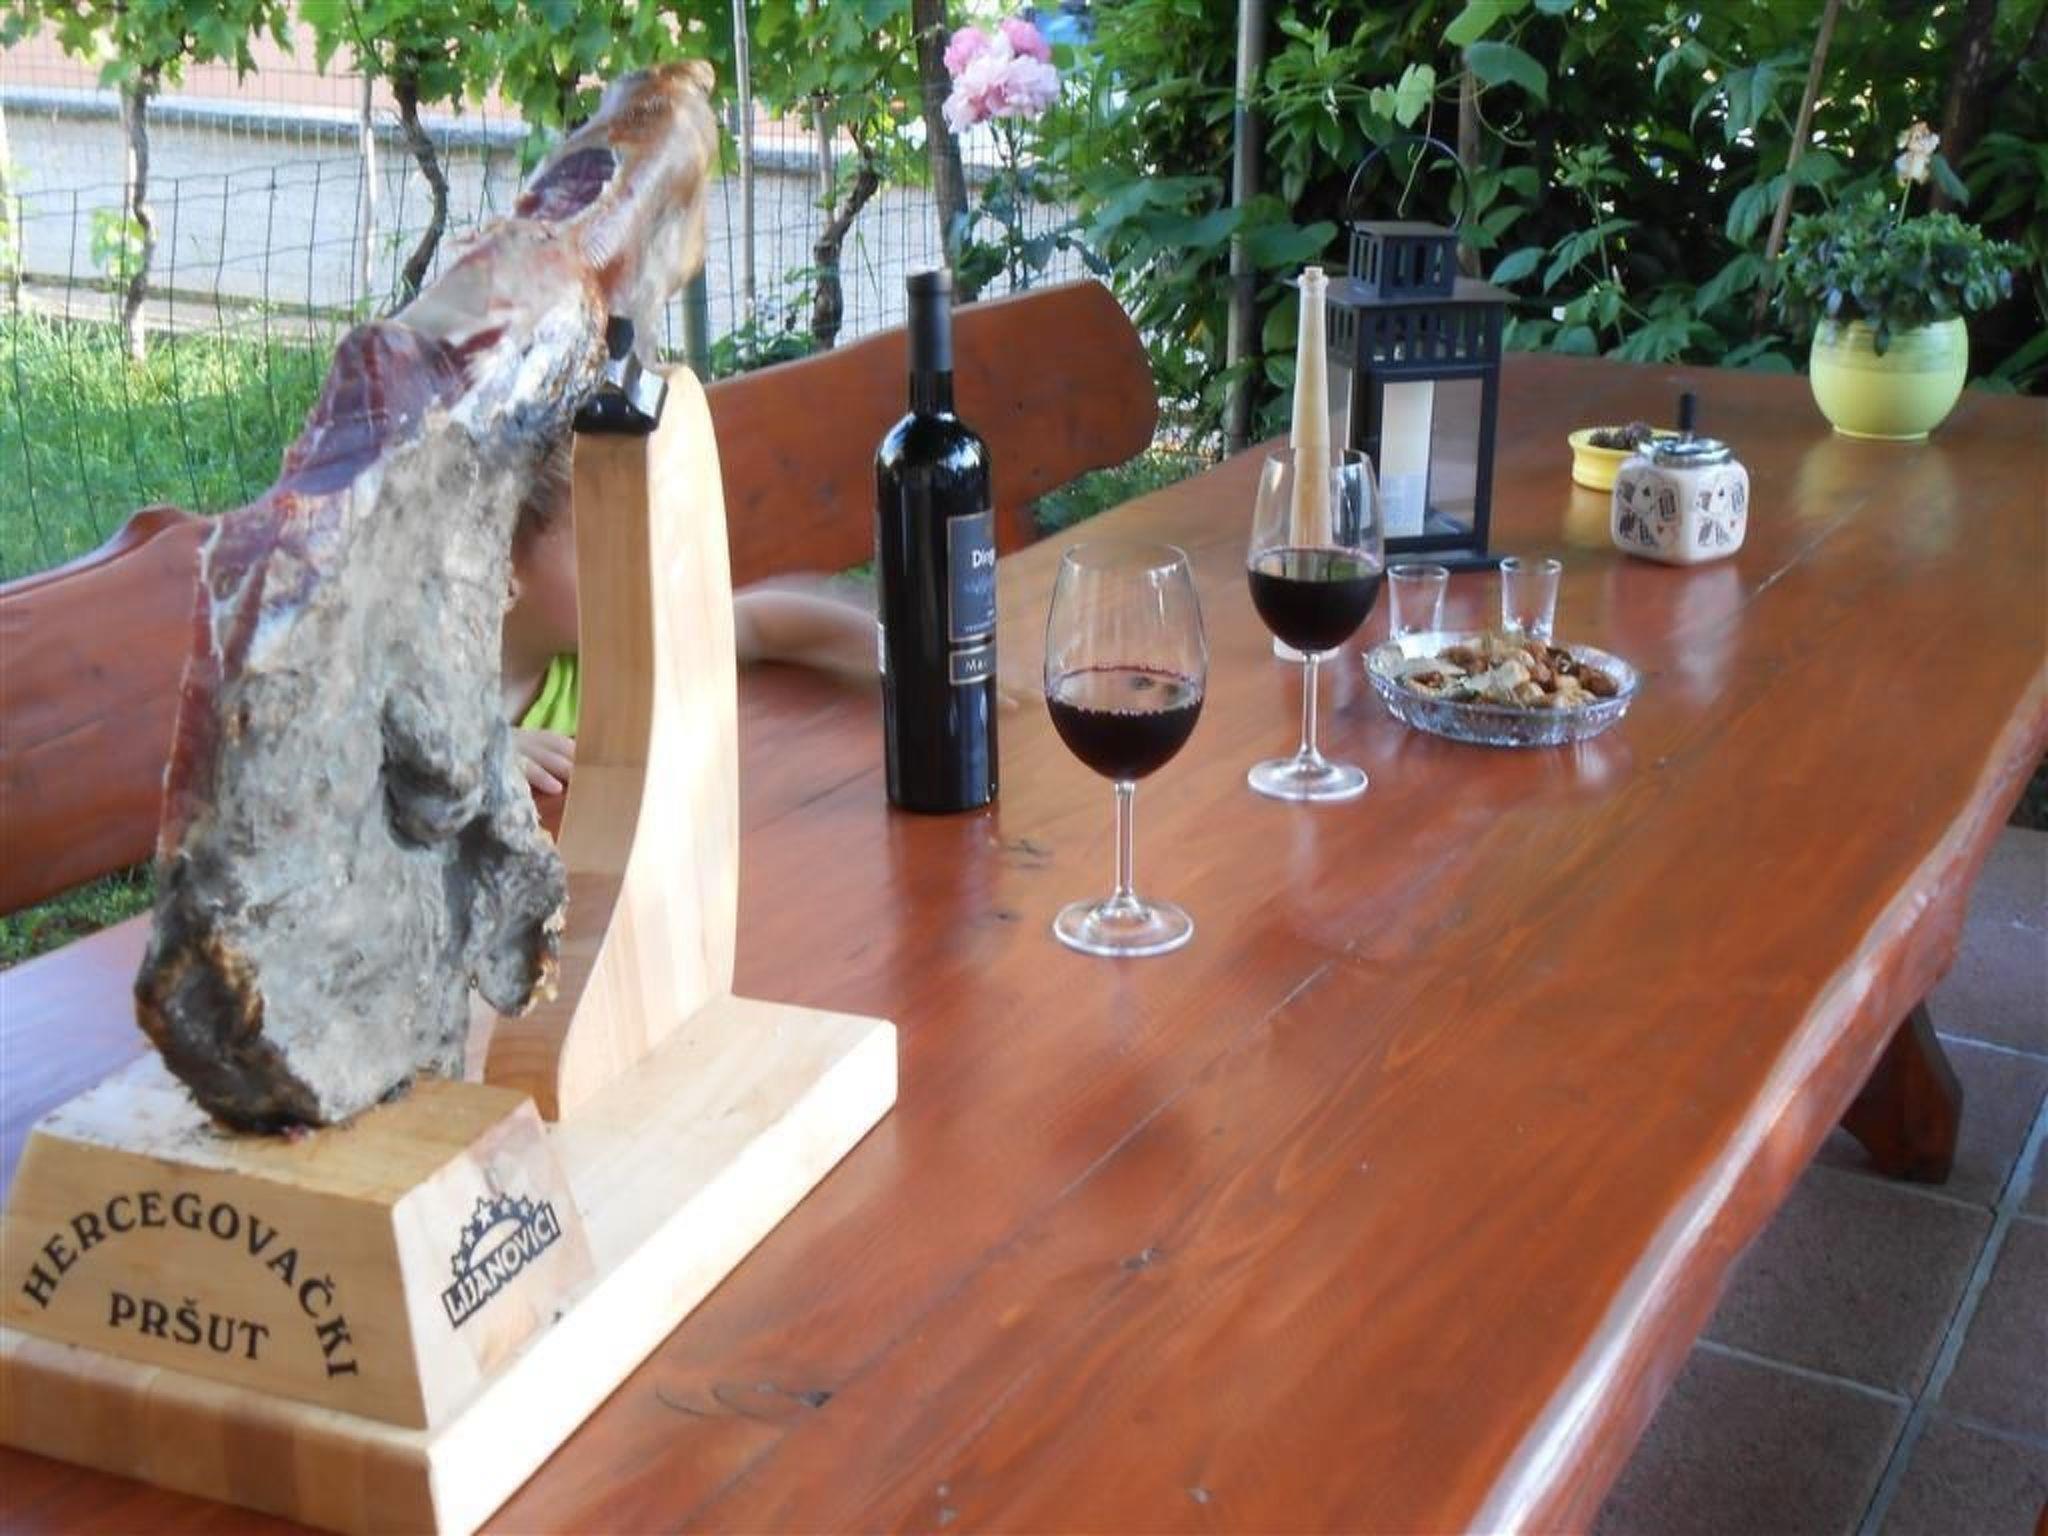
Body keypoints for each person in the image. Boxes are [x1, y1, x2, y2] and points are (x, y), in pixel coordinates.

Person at [503, 438, 877, 797]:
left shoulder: (609, 654)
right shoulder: (464, 711)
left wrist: (890, 653)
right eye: (610, 548)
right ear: (498, 573)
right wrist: (484, 755)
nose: (646, 564)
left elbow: (756, 623)